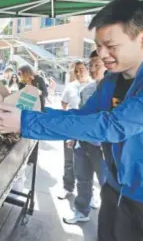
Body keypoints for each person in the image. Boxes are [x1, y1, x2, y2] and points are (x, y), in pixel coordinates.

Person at [0, 0, 143, 240]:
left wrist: (26, 122)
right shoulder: (110, 82)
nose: (101, 54)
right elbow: (80, 119)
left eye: (111, 45)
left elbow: (111, 126)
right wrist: (24, 111)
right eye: (98, 45)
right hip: (114, 191)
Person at [64, 50, 107, 224]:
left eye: (98, 64)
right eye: (91, 65)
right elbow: (80, 116)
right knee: (82, 179)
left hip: (103, 147)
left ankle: (112, 220)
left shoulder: (116, 89)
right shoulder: (87, 90)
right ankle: (82, 210)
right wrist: (73, 137)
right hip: (83, 143)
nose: (93, 68)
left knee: (107, 184)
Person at [58, 62, 91, 200]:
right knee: (69, 160)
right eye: (76, 71)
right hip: (70, 128)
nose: (78, 73)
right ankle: (67, 187)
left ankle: (89, 194)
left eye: (81, 70)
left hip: (88, 129)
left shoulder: (94, 86)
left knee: (88, 163)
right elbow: (63, 104)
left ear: (87, 70)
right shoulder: (70, 86)